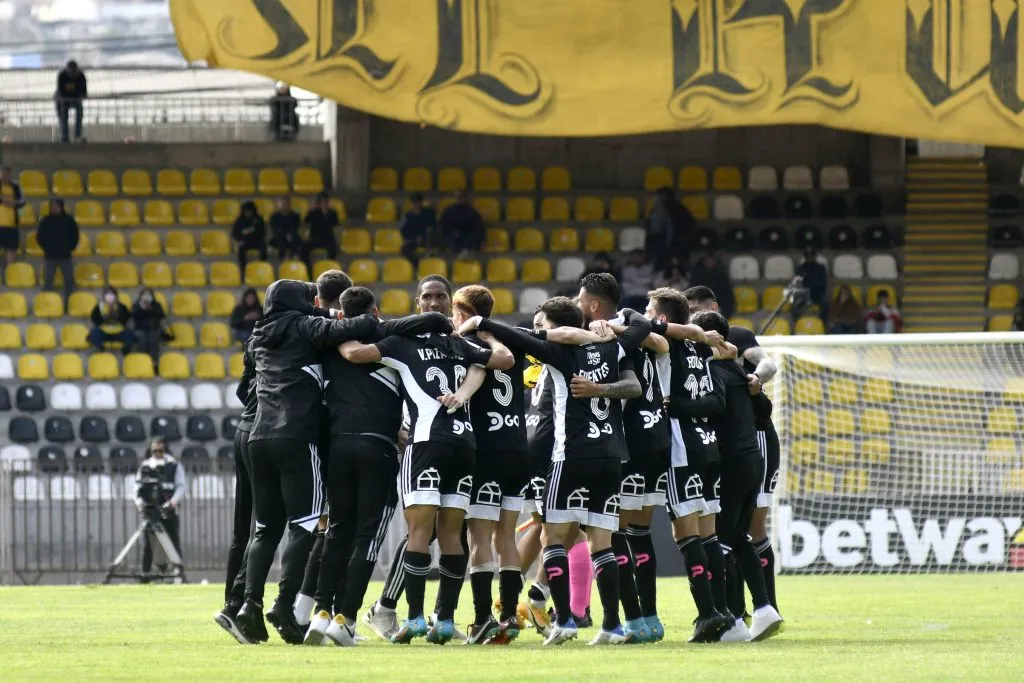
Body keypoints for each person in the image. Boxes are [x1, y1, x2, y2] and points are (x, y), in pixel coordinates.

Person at [459, 299, 652, 646]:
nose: (539, 330)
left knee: (554, 538)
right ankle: (612, 625)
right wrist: (614, 325)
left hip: (570, 457)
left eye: (542, 325)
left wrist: (477, 322)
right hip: (610, 458)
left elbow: (517, 337)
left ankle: (564, 619)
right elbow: (642, 325)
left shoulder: (559, 354)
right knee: (602, 543)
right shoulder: (613, 347)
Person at [340, 294, 514, 646]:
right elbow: (502, 360)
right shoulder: (460, 344)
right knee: (452, 535)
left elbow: (355, 354)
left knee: (419, 533)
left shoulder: (402, 342)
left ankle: (416, 617)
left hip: (425, 442)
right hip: (465, 446)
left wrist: (339, 331)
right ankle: (446, 621)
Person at [304, 277, 455, 647]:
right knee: (367, 537)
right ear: (374, 311)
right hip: (379, 447)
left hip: (339, 448)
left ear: (342, 313)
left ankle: (321, 614)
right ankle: (347, 618)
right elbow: (432, 324)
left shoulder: (329, 343)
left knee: (337, 530)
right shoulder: (393, 344)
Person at [233, 279, 381, 646]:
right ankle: (284, 605)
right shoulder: (305, 326)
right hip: (297, 436)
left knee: (265, 528)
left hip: (258, 437)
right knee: (304, 524)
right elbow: (358, 325)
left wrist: (319, 309)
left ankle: (249, 606)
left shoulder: (260, 336)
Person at [686, 285, 783, 635]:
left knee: (726, 535)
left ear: (712, 309)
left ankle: (732, 616)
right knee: (739, 534)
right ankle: (759, 609)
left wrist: (680, 405)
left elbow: (763, 370)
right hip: (747, 450)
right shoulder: (728, 367)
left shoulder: (727, 354)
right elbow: (765, 406)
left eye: (695, 311)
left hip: (740, 449)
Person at [647, 288, 736, 642]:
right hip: (709, 446)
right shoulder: (700, 347)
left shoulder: (667, 344)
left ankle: (707, 613)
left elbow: (639, 326)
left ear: (663, 318)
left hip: (681, 449)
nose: (646, 313)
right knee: (708, 533)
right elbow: (729, 352)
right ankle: (724, 609)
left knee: (686, 535)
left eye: (651, 309)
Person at [450, 285, 531, 645]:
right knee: (506, 536)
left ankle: (483, 618)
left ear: (462, 314)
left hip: (486, 450)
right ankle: (509, 615)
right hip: (518, 447)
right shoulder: (510, 341)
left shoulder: (469, 346)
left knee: (479, 535)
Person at [215, 337, 267, 644]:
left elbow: (240, 389)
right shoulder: (303, 335)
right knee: (268, 525)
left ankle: (229, 604)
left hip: (243, 430)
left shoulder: (258, 337)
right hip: (266, 433)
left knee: (243, 529)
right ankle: (239, 605)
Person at [135, 439, 185, 575]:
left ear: (165, 450)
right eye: (154, 451)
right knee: (148, 546)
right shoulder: (145, 466)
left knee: (173, 543)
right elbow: (138, 488)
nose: (157, 453)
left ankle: (178, 573)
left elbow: (181, 486)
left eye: (160, 450)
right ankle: (145, 573)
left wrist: (173, 502)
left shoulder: (174, 465)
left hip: (168, 510)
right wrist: (141, 504)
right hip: (150, 512)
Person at [36, 198, 79, 305]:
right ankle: (47, 303)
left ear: (61, 207)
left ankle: (70, 303)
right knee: (48, 279)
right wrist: (46, 248)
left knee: (69, 280)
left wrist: (70, 247)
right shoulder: (45, 220)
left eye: (57, 206)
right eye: (53, 206)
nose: (54, 208)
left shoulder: (69, 220)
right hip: (50, 255)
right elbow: (40, 237)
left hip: (65, 255)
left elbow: (75, 236)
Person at [647, 186, 694, 269]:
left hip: (678, 247)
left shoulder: (680, 210)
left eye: (663, 196)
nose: (661, 199)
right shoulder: (655, 212)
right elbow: (652, 230)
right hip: (660, 247)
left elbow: (687, 228)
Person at [689, 253, 735, 319]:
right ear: (703, 261)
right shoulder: (697, 276)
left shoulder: (722, 275)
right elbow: (692, 293)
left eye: (712, 260)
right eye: (707, 260)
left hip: (719, 307)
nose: (710, 262)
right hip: (700, 308)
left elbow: (728, 295)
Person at [88, 286, 133, 354]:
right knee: (94, 333)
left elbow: (126, 319)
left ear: (116, 296)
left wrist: (117, 316)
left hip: (118, 331)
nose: (110, 297)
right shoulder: (99, 307)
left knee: (129, 333)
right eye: (107, 294)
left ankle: (126, 351)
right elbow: (95, 320)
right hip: (103, 331)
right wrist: (105, 317)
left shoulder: (122, 307)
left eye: (112, 294)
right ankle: (101, 348)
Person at [439, 189, 484, 255]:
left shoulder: (471, 212)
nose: (460, 199)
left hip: (467, 235)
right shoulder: (449, 211)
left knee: (470, 238)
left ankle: (464, 252)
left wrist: (483, 240)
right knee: (448, 239)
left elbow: (478, 226)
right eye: (458, 197)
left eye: (462, 197)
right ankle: (458, 253)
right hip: (452, 236)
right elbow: (443, 224)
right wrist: (452, 232)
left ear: (465, 198)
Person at [301, 193, 340, 270]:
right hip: (315, 238)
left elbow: (335, 223)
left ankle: (332, 269)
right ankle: (307, 270)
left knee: (333, 247)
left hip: (328, 239)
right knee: (303, 247)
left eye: (325, 201)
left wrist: (325, 213)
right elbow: (305, 221)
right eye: (321, 201)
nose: (323, 203)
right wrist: (311, 209)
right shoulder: (313, 212)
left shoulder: (332, 213)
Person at [131, 288, 168, 367]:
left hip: (154, 328)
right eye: (144, 295)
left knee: (153, 339)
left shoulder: (156, 305)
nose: (146, 297)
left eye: (148, 295)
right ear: (141, 296)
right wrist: (141, 309)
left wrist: (151, 309)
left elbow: (161, 315)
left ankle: (154, 363)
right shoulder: (136, 305)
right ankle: (142, 362)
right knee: (141, 338)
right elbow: (133, 316)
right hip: (140, 329)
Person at [400, 192, 438, 265]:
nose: (415, 204)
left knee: (429, 234)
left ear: (421, 202)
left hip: (427, 238)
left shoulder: (429, 213)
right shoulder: (408, 216)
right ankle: (418, 266)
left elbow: (433, 226)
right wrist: (413, 238)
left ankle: (430, 252)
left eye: (417, 202)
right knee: (405, 249)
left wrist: (422, 236)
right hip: (414, 240)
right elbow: (404, 231)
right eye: (414, 202)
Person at [0, 166, 25, 272]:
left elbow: (22, 202)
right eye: (3, 174)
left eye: (8, 174)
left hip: (12, 225)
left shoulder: (15, 187)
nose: (6, 176)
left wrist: (10, 203)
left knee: (11, 251)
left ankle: (9, 274)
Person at [55, 60, 87, 143]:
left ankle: (77, 135)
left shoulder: (81, 76)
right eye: (71, 72)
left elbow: (84, 92)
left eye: (74, 72)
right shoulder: (62, 76)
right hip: (63, 99)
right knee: (63, 113)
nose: (73, 74)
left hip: (75, 99)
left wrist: (79, 96)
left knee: (80, 111)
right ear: (67, 70)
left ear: (77, 70)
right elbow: (61, 91)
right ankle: (64, 135)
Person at [232, 201, 267, 273]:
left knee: (264, 248)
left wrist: (255, 231)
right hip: (245, 242)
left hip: (257, 241)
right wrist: (242, 235)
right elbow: (234, 233)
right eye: (246, 211)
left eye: (250, 211)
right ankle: (243, 270)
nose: (248, 213)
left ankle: (263, 267)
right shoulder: (240, 220)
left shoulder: (258, 219)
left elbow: (263, 233)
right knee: (240, 250)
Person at [796, 247, 829, 320]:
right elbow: (798, 284)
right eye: (808, 256)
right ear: (805, 257)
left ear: (815, 256)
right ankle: (798, 324)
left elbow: (823, 284)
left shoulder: (821, 268)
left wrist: (812, 290)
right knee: (795, 306)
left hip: (817, 295)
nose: (810, 258)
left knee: (825, 305)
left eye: (811, 256)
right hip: (804, 295)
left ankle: (822, 324)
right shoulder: (800, 269)